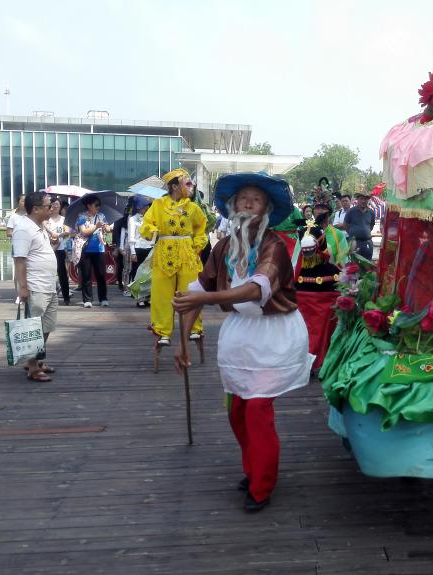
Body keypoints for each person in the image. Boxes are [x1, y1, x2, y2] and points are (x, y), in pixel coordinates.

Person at [173, 172, 313, 513]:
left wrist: (205, 300)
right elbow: (196, 292)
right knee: (237, 412)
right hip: (240, 337)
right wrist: (184, 342)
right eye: (243, 198)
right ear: (233, 205)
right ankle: (254, 470)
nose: (249, 203)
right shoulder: (223, 247)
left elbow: (255, 289)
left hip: (274, 336)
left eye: (257, 199)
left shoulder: (273, 246)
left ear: (266, 208)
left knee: (257, 409)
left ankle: (262, 486)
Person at [139, 168, 207, 346]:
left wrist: (197, 245)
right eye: (188, 184)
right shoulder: (158, 205)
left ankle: (194, 328)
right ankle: (163, 330)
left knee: (190, 291)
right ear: (175, 186)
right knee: (161, 293)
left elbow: (201, 228)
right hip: (164, 252)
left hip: (187, 254)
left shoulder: (193, 208)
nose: (191, 187)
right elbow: (146, 224)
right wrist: (153, 231)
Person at [294, 201, 349, 372]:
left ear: (329, 212)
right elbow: (297, 257)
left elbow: (343, 259)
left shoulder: (337, 234)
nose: (319, 211)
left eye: (323, 209)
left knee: (327, 326)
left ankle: (325, 360)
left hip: (330, 283)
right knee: (306, 326)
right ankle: (305, 360)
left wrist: (346, 279)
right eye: (316, 208)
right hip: (306, 285)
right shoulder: (305, 230)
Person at [13, 192, 60, 382]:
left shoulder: (40, 227)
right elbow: (20, 260)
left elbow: (40, 253)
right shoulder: (24, 229)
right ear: (36, 209)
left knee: (46, 326)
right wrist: (23, 287)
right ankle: (33, 367)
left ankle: (37, 360)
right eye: (48, 206)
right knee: (34, 327)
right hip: (36, 285)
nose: (52, 208)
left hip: (48, 285)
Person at [75, 195, 111, 308]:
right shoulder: (82, 216)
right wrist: (96, 226)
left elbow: (108, 229)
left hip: (99, 249)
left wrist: (106, 227)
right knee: (86, 275)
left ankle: (103, 298)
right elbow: (84, 232)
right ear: (89, 205)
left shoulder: (101, 216)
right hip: (85, 249)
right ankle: (87, 299)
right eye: (96, 205)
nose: (98, 207)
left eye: (99, 205)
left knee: (101, 274)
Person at [44, 199, 73, 306]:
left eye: (57, 204)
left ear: (60, 206)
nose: (55, 206)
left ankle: (66, 297)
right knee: (48, 273)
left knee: (62, 273)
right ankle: (48, 297)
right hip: (47, 249)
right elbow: (43, 227)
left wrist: (58, 235)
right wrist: (51, 234)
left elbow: (67, 231)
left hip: (60, 249)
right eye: (53, 204)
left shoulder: (64, 219)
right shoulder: (46, 218)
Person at [127, 196, 154, 307]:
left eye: (147, 206)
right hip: (138, 248)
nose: (146, 208)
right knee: (138, 273)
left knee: (149, 274)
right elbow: (131, 237)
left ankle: (148, 296)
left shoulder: (150, 218)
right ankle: (139, 298)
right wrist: (133, 252)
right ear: (138, 207)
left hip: (150, 248)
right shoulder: (132, 219)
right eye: (144, 206)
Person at [344, 191, 376, 261]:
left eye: (365, 199)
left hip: (367, 242)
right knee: (354, 264)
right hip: (354, 242)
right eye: (361, 199)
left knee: (367, 263)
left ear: (368, 200)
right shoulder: (351, 211)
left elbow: (371, 225)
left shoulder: (371, 212)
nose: (363, 201)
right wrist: (353, 233)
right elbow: (345, 225)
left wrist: (364, 232)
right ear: (357, 199)